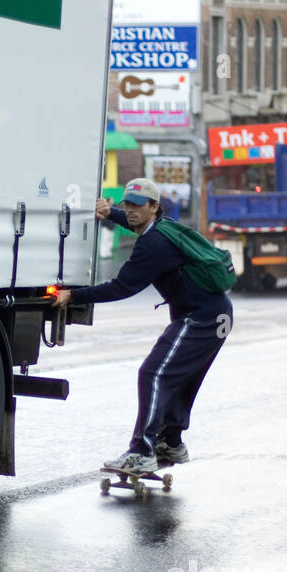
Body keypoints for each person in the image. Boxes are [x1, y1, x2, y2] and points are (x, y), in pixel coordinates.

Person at [54, 178, 232, 474]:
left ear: (154, 207)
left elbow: (122, 287)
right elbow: (135, 223)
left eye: (138, 205)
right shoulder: (163, 226)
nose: (131, 210)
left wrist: (73, 295)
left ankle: (143, 451)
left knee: (154, 373)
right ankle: (171, 442)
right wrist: (111, 213)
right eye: (127, 204)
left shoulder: (153, 245)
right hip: (216, 316)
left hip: (202, 318)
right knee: (178, 378)